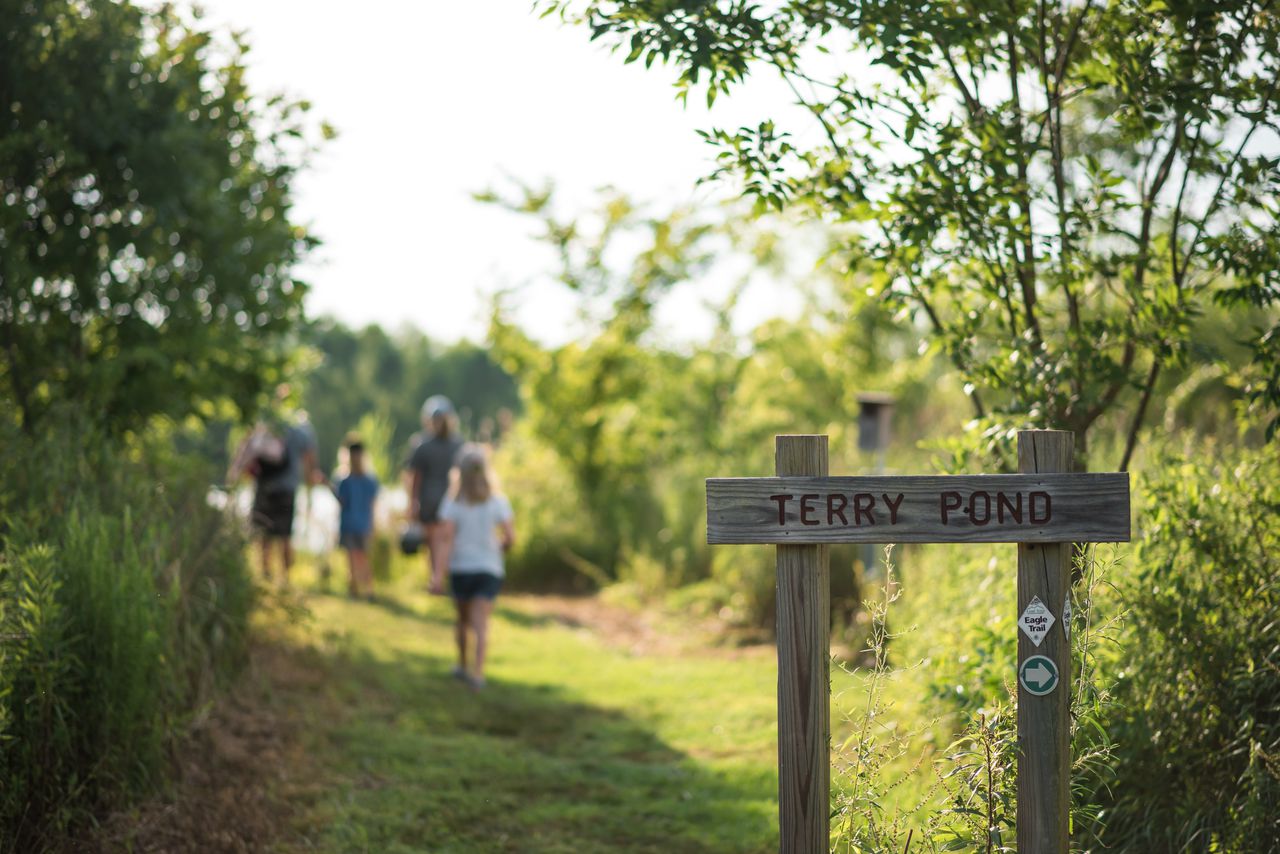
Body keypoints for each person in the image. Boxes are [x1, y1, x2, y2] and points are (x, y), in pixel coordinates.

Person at [430, 444, 514, 690]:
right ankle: (478, 673)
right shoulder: (498, 502)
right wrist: (499, 547)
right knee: (481, 623)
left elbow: (445, 540)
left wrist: (437, 576)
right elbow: (510, 538)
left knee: (462, 620)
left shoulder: (453, 502)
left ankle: (462, 664)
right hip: (489, 568)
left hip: (461, 568)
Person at [228, 404, 318, 584]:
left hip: (263, 486)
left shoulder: (264, 422)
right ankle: (286, 577)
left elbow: (246, 450)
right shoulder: (300, 427)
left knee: (263, 533)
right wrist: (310, 485)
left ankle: (265, 574)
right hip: (287, 488)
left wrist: (235, 475)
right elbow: (309, 458)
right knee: (285, 534)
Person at [407, 395, 463, 586]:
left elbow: (414, 478)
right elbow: (415, 477)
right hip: (442, 499)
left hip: (437, 499)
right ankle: (437, 578)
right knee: (438, 540)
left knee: (436, 540)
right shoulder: (455, 444)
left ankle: (437, 578)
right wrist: (413, 501)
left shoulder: (423, 444)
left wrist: (413, 501)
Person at [334, 434, 379, 599]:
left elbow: (372, 505)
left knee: (362, 557)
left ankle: (368, 589)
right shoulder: (343, 479)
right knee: (351, 558)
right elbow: (342, 501)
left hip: (363, 524)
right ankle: (353, 588)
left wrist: (372, 525)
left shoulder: (369, 480)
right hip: (348, 524)